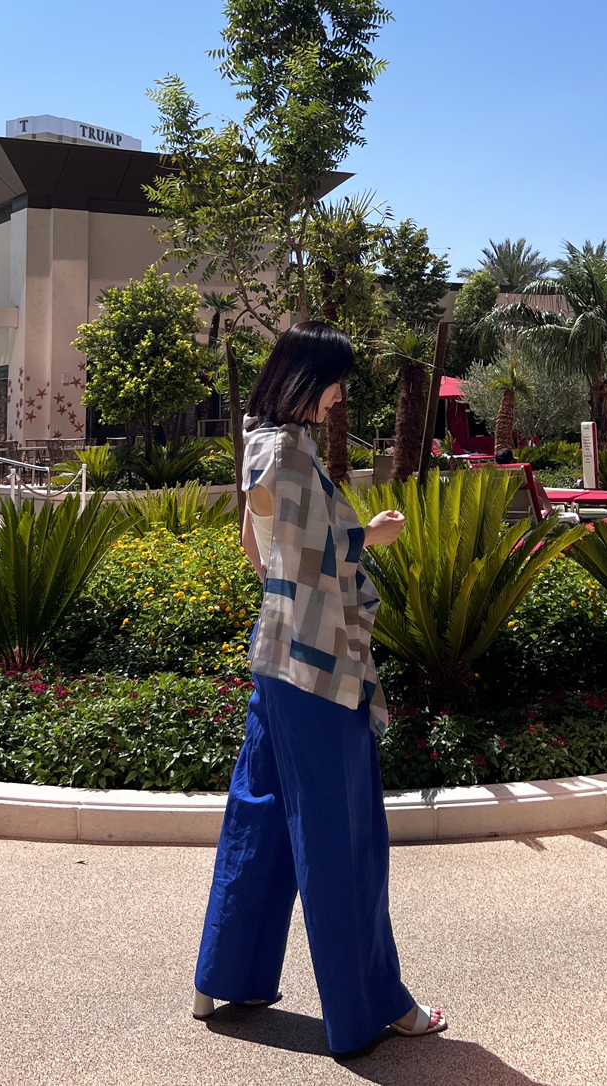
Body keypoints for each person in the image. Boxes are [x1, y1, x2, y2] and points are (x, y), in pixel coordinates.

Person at [192, 321, 447, 1056]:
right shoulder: (290, 452)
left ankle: (223, 977)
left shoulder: (259, 443)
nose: (338, 398)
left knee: (261, 816)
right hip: (319, 670)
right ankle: (371, 1008)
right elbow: (312, 557)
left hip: (276, 656)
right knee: (345, 837)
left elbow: (258, 550)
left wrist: (299, 582)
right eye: (335, 383)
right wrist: (373, 536)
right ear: (306, 378)